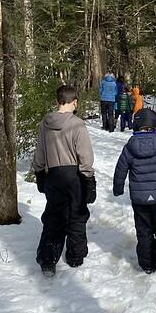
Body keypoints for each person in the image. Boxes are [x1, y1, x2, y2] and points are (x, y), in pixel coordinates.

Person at [33, 85, 96, 275]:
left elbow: (40, 152)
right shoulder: (77, 124)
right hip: (73, 176)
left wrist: (39, 173)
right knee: (77, 215)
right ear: (75, 102)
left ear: (57, 101)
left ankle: (47, 258)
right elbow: (85, 155)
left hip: (53, 174)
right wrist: (88, 179)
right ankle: (75, 256)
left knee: (54, 216)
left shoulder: (46, 123)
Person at [113, 108, 156, 273]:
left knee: (144, 231)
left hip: (140, 199)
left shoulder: (130, 146)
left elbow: (120, 169)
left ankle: (147, 263)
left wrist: (118, 188)